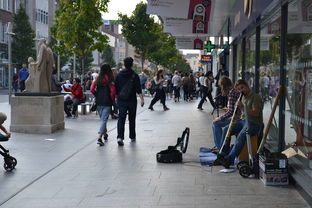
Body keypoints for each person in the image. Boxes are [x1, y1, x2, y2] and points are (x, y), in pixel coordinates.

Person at [215, 79, 263, 168]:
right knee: (226, 129)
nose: (241, 90)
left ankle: (228, 160)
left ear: (247, 86)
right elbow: (244, 112)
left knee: (241, 136)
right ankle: (223, 154)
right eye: (239, 89)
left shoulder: (255, 97)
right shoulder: (243, 97)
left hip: (254, 123)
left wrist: (242, 107)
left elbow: (256, 113)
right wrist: (239, 112)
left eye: (242, 88)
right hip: (243, 121)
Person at [115, 57, 144, 146]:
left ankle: (120, 137)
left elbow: (115, 88)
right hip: (132, 100)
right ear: (132, 64)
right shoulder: (134, 75)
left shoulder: (119, 75)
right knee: (132, 119)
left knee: (121, 119)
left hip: (121, 100)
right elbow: (138, 88)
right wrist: (142, 99)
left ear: (124, 64)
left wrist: (116, 99)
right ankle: (132, 136)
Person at [212, 77, 241, 151]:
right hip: (237, 117)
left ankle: (220, 148)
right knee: (215, 123)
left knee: (216, 123)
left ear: (223, 85)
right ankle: (220, 146)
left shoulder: (231, 93)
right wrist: (227, 109)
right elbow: (233, 109)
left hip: (237, 119)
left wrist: (219, 118)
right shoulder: (233, 91)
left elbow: (231, 112)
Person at [90, 64, 116, 146]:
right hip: (107, 102)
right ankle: (99, 138)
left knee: (102, 119)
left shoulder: (98, 78)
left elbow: (91, 89)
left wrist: (96, 94)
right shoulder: (110, 79)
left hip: (99, 101)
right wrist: (112, 100)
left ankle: (105, 134)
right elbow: (112, 92)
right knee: (103, 120)